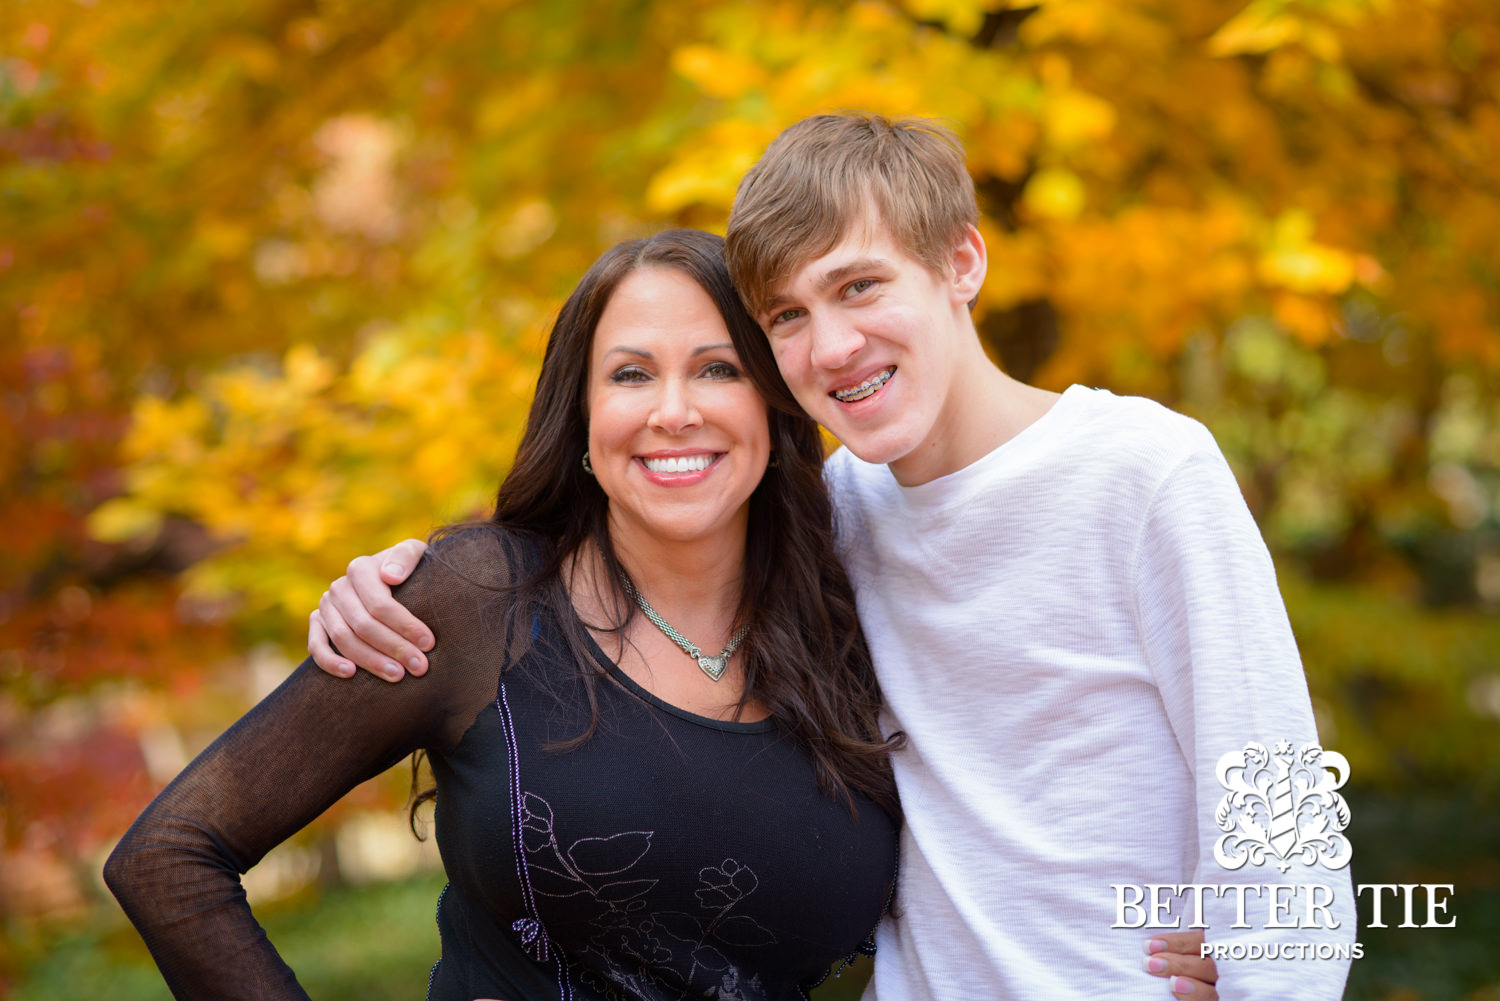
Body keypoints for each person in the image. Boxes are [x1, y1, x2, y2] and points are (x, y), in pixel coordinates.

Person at [310, 117, 1310, 999]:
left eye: (860, 286)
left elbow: (1277, 798)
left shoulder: (1142, 471)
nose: (830, 345)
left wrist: (1272, 970)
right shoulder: (833, 515)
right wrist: (393, 583)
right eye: (786, 314)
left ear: (962, 264)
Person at [105, 229, 906, 1001]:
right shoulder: (480, 601)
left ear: (772, 406)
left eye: (719, 369)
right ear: (584, 419)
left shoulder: (857, 613)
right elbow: (168, 857)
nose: (674, 410)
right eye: (630, 375)